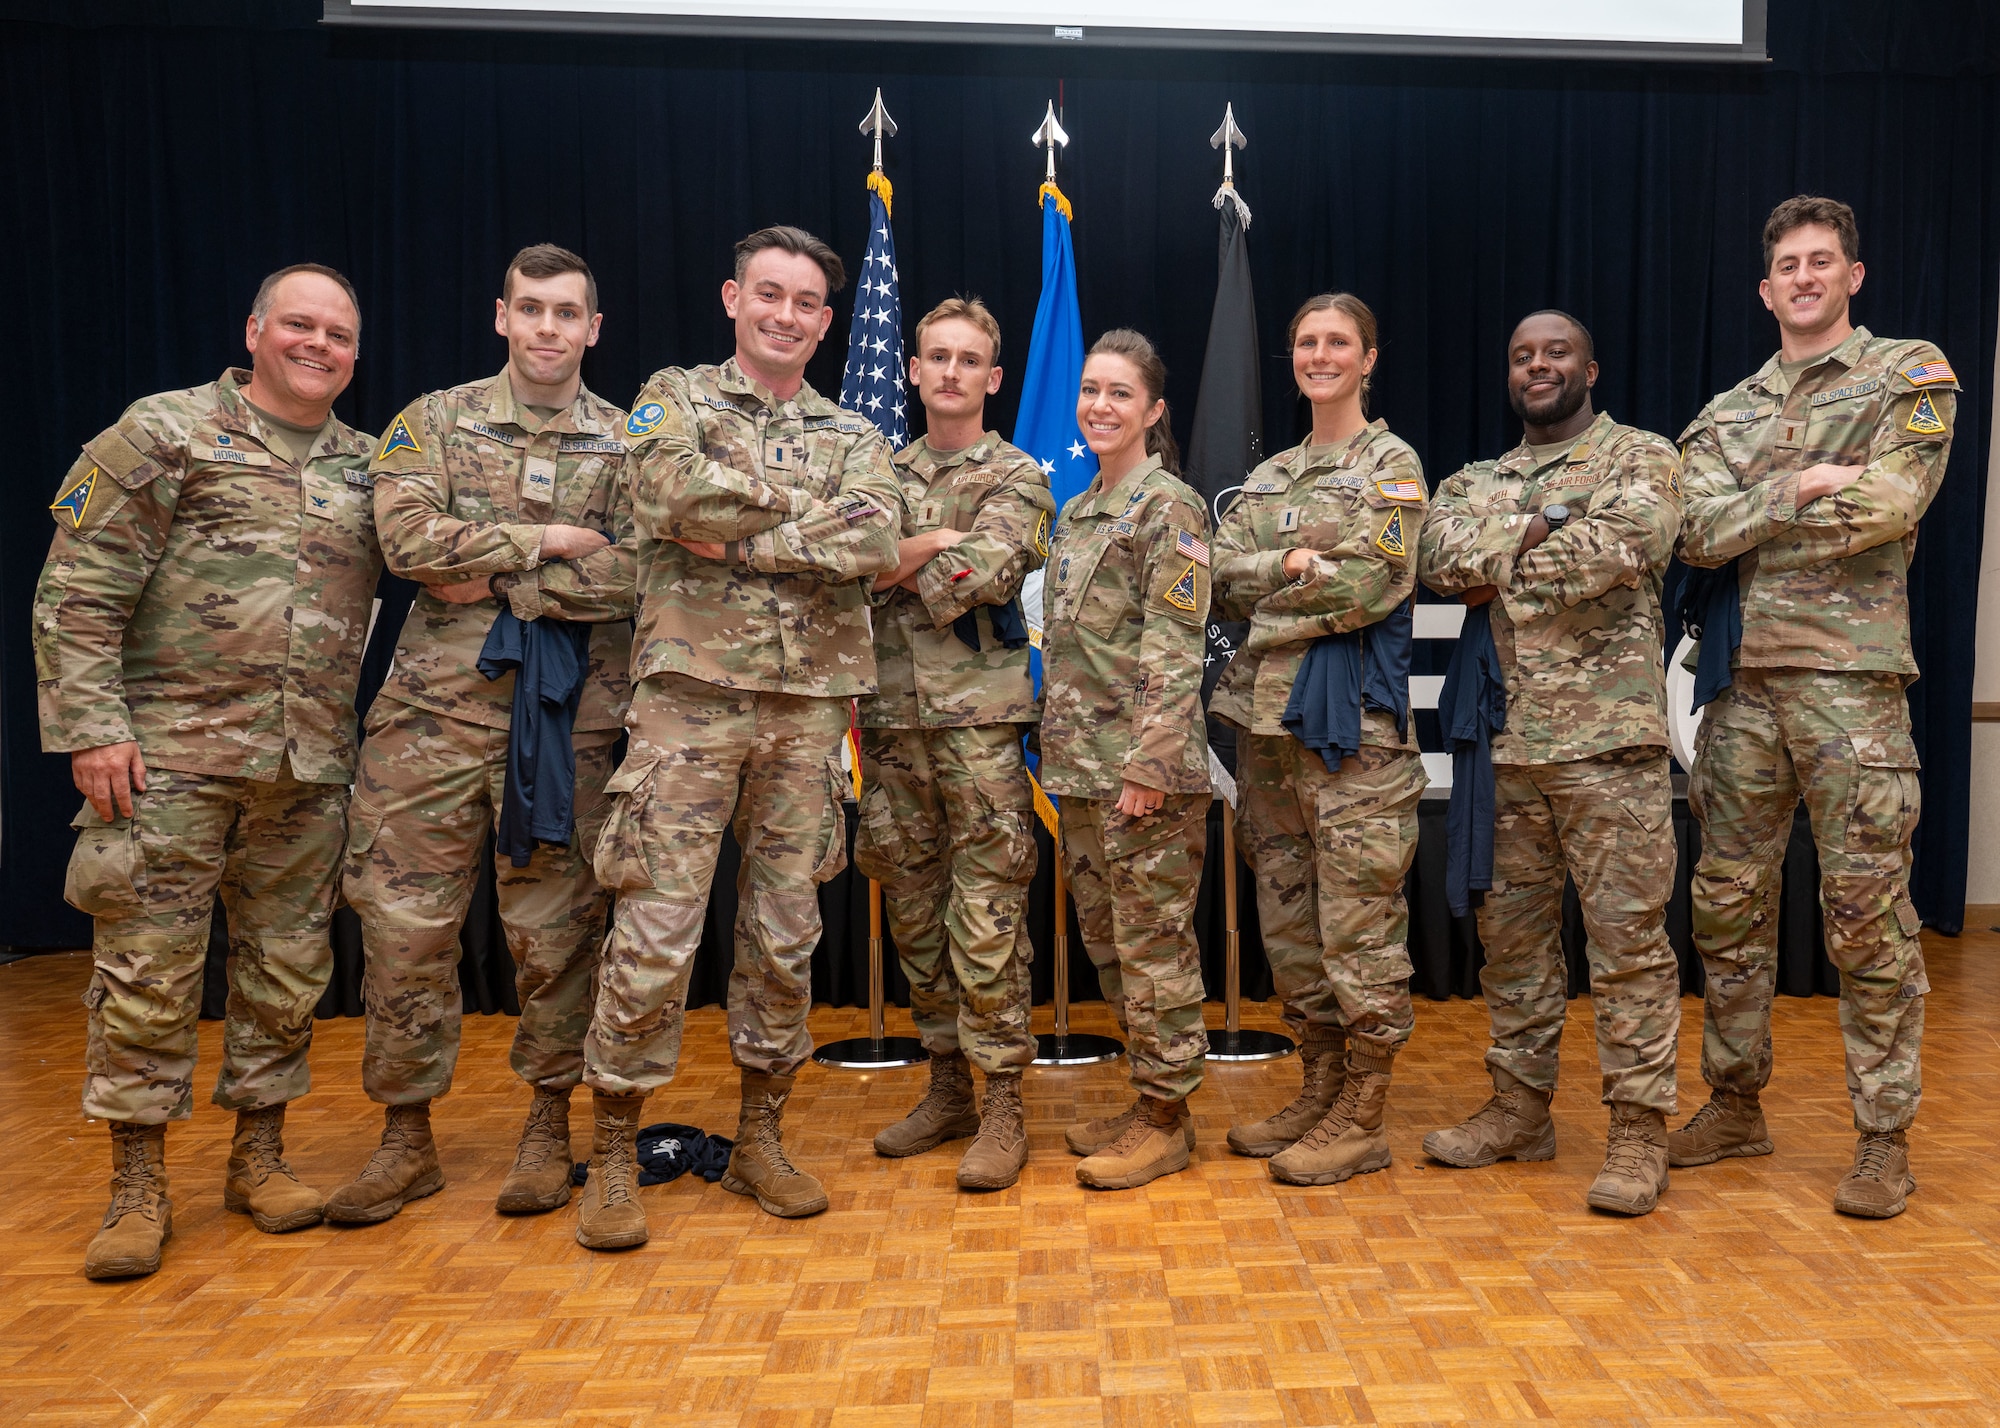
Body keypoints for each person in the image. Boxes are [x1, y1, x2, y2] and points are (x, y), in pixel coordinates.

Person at [36, 265, 380, 1279]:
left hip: (307, 762)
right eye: (299, 325)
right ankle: (137, 1185)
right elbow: (78, 588)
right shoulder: (164, 432)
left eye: (339, 333)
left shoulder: (370, 465)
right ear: (255, 330)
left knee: (284, 974)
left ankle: (259, 1158)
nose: (318, 345)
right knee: (147, 975)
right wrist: (92, 727)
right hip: (166, 758)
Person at [584, 226, 902, 1238]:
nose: (785, 314)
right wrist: (803, 524)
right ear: (732, 297)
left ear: (823, 320)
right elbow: (666, 491)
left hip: (805, 711)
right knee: (653, 933)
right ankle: (611, 1157)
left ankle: (761, 1137)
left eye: (805, 302)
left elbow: (875, 536)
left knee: (783, 935)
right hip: (688, 698)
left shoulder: (854, 431)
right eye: (768, 293)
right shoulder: (671, 396)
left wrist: (738, 534)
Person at [326, 245, 637, 1237]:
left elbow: (642, 574)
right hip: (428, 728)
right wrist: (546, 544)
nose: (548, 328)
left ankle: (549, 1125)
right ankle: (405, 1136)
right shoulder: (434, 420)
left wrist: (489, 568)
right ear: (500, 316)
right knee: (403, 934)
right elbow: (405, 545)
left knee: (555, 937)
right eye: (530, 308)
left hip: (568, 732)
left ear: (594, 328)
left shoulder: (632, 445)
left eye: (567, 313)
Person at [1673, 196, 1955, 1218]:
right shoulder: (1723, 411)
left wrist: (1758, 508)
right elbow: (1693, 533)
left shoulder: (1905, 373)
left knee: (1865, 918)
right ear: (1763, 288)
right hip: (1741, 691)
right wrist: (1794, 491)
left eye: (1818, 261)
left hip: (1850, 692)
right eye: (1785, 265)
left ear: (1851, 275)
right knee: (1725, 908)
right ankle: (1733, 1102)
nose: (1800, 277)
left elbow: (1890, 503)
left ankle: (1881, 1138)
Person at [1415, 310, 1684, 1216]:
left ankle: (1640, 1132)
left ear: (1591, 368)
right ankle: (1521, 1111)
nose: (1539, 365)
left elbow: (1626, 546)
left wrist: (1510, 549)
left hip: (1610, 747)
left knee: (1628, 948)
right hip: (1505, 747)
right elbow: (1438, 560)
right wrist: (1539, 528)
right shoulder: (1471, 479)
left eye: (1556, 352)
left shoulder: (1642, 458)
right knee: (1512, 946)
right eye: (1523, 354)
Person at [1210, 294, 1428, 1186]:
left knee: (1358, 924)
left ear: (1369, 357)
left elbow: (1374, 586)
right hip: (1265, 732)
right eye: (1306, 342)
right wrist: (1291, 566)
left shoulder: (1392, 465)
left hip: (1353, 738)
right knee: (1291, 921)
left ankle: (1365, 1114)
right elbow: (1217, 576)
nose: (1319, 355)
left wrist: (1271, 597)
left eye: (1338, 342)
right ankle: (1321, 1085)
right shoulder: (1267, 479)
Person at [856, 298, 1054, 1190]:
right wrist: (930, 540)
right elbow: (841, 567)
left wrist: (903, 558)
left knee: (987, 917)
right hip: (891, 726)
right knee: (912, 908)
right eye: (934, 356)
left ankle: (1003, 1099)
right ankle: (947, 1088)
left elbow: (983, 572)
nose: (949, 372)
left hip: (979, 729)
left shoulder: (1018, 475)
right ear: (912, 369)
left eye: (967, 360)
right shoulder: (877, 469)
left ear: (993, 378)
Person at [1041, 329, 1213, 1191]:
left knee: (1154, 950)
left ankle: (1169, 1120)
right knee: (1109, 944)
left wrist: (1148, 765)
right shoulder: (1077, 513)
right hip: (1080, 770)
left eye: (1119, 394)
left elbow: (1177, 649)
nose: (1099, 407)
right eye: (1091, 391)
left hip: (1145, 777)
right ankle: (1149, 1098)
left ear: (1153, 410)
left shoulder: (1169, 507)